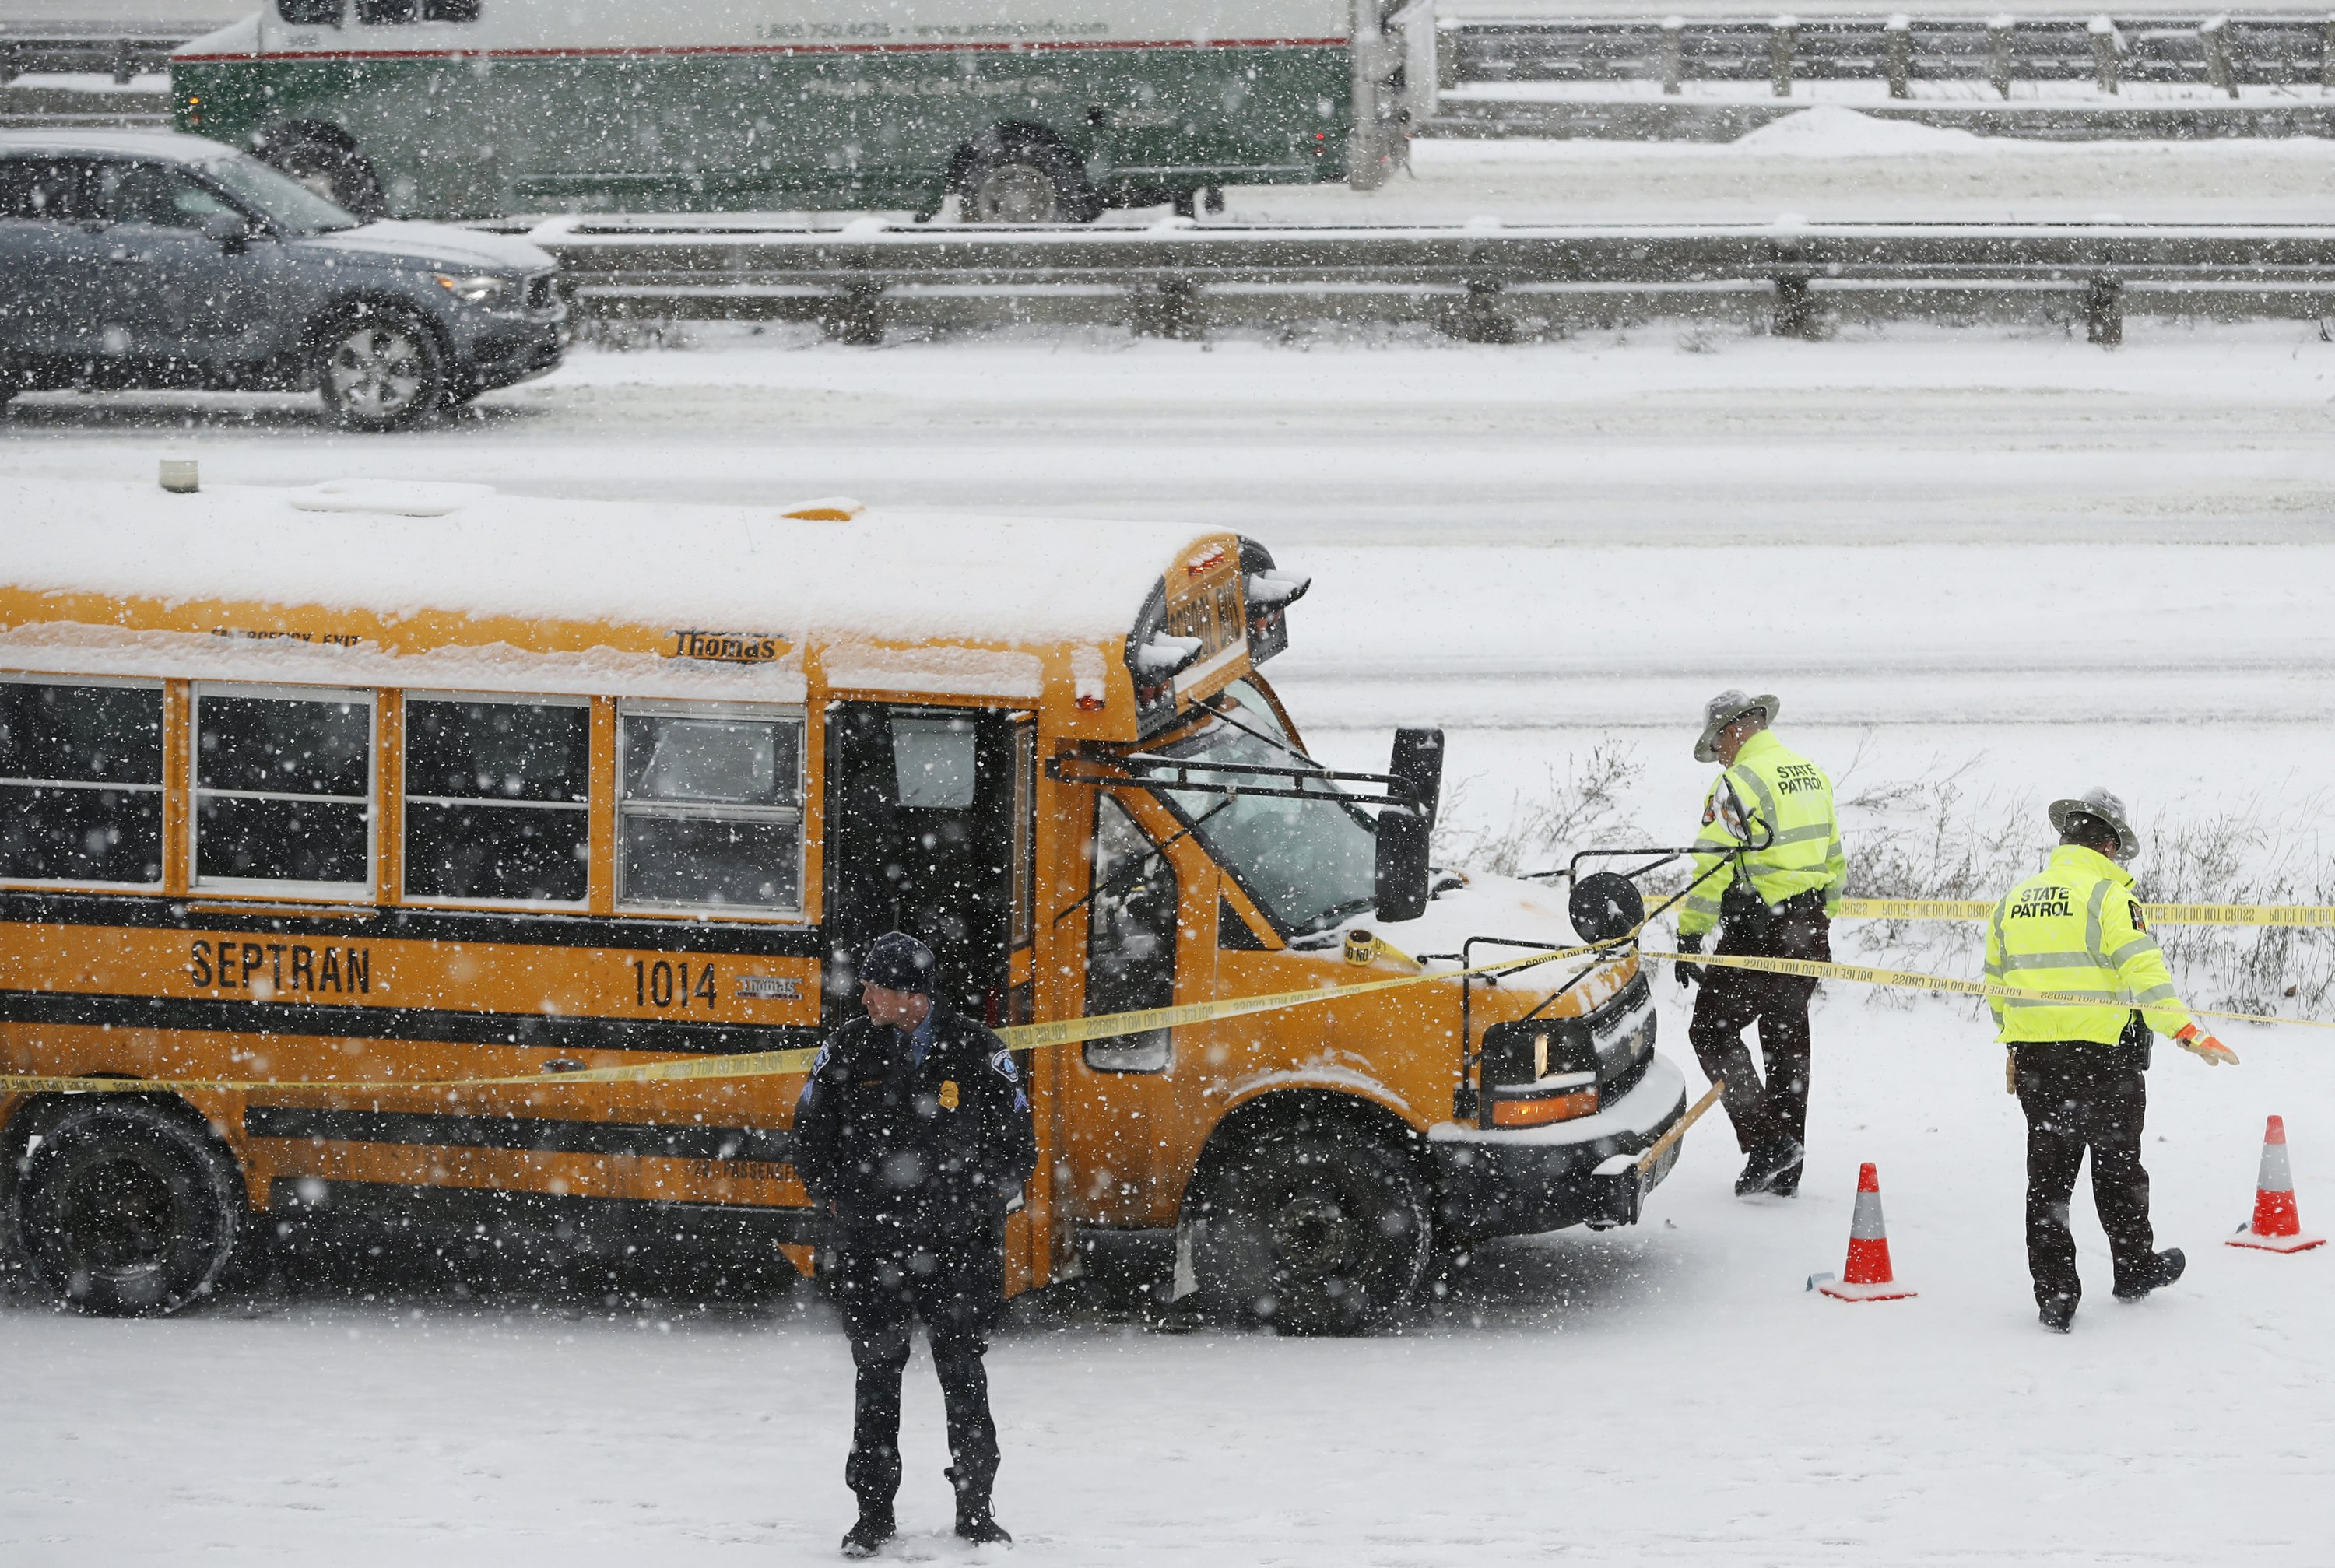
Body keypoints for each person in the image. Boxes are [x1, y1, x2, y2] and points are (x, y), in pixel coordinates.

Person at [792, 931, 1038, 1556]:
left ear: (910, 994)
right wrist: (843, 1198)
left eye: (874, 985)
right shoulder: (848, 1047)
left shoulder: (976, 1050)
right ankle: (872, 1515)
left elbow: (1017, 1147)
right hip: (874, 1248)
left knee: (964, 1375)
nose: (864, 995)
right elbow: (808, 1132)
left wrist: (972, 1207)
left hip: (957, 1250)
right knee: (876, 1377)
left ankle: (977, 1512)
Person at [1986, 788, 2238, 1333]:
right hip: (2102, 1060)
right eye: (2117, 849)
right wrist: (2188, 1031)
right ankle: (2134, 1267)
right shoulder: (2108, 895)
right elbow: (2144, 973)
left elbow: (1996, 980)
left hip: (2035, 1061)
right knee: (2118, 1167)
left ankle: (2054, 1295)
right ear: (2104, 843)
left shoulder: (2016, 898)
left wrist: (2013, 1040)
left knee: (2047, 1180)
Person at [1674, 690, 1845, 1198]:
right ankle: (1786, 1170)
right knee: (1788, 1042)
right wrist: (1817, 921)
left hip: (1761, 930)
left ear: (1733, 731)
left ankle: (1769, 1143)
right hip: (1808, 930)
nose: (1719, 755)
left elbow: (1709, 864)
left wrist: (1690, 932)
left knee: (1710, 1029)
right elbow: (1835, 859)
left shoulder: (1737, 783)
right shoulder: (1811, 773)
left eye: (1718, 745)